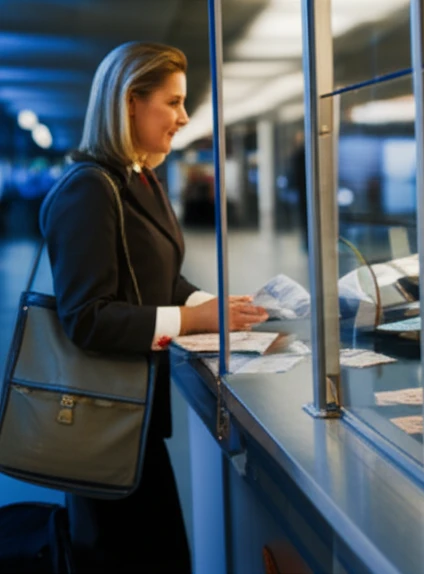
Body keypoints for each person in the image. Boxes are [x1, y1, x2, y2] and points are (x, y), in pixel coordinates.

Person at [39, 42, 268, 572]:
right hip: (102, 422)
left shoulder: (140, 178)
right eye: (173, 102)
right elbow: (86, 318)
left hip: (135, 417)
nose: (184, 117)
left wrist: (218, 307)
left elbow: (159, 279)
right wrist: (193, 320)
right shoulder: (90, 190)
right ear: (129, 104)